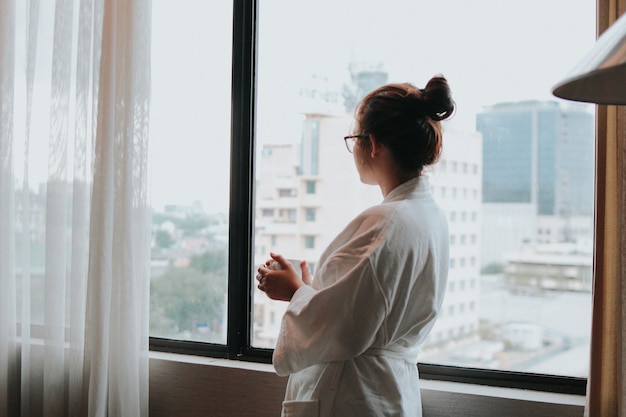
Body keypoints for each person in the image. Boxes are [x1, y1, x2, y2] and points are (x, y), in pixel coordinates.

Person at [256, 75, 455, 417]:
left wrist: (294, 293)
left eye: (355, 139)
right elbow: (368, 306)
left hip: (352, 395)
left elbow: (345, 326)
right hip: (390, 391)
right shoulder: (429, 217)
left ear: (373, 143)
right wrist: (309, 289)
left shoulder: (385, 222)